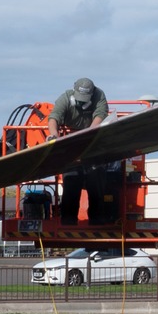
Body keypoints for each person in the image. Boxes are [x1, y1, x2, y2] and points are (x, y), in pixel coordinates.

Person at [53, 78, 111, 223]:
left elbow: (100, 115)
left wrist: (89, 136)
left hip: (92, 146)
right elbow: (54, 117)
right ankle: (68, 220)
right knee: (71, 180)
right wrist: (54, 135)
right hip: (71, 146)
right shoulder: (65, 98)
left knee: (96, 181)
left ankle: (97, 220)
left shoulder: (99, 95)